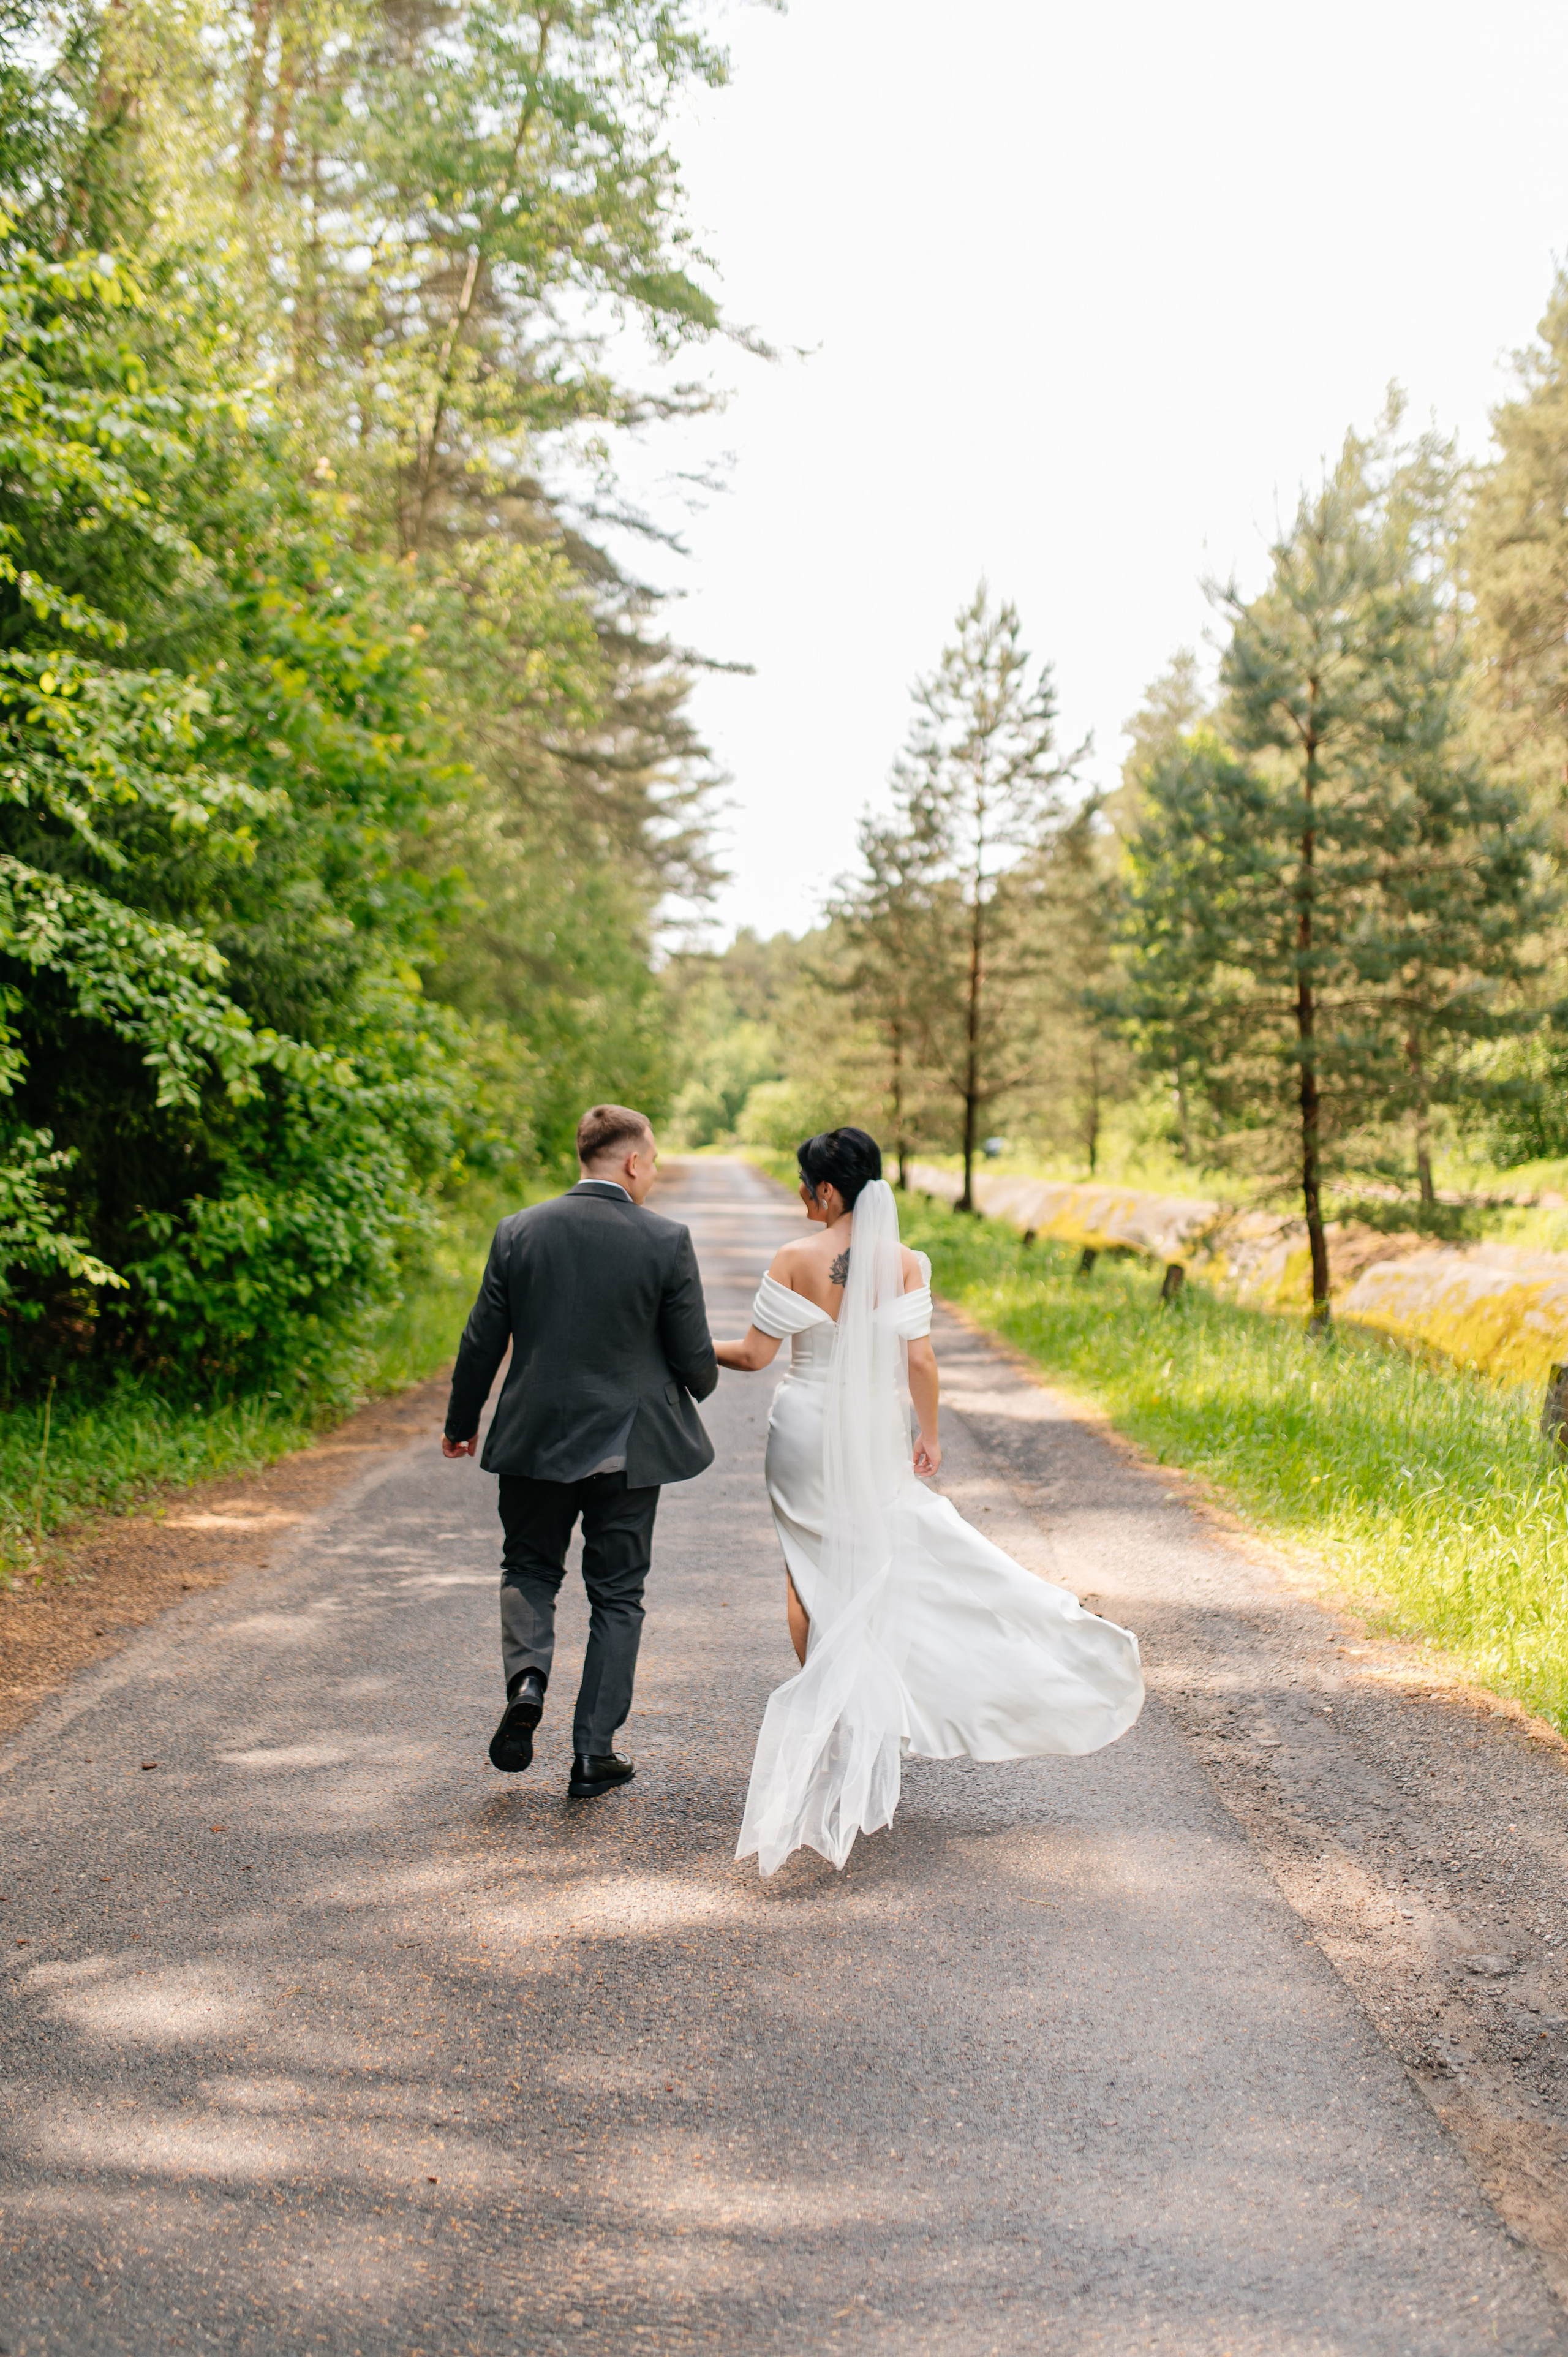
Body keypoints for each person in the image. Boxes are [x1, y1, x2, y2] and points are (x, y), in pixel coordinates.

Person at [714, 1126, 1144, 1874]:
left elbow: (753, 1356)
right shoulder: (907, 1263)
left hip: (807, 1425)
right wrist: (932, 1436)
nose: (798, 1197)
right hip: (877, 1423)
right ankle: (860, 1712)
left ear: (828, 1190)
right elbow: (919, 1358)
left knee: (805, 1572)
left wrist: (682, 1346)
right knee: (876, 1554)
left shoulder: (793, 1258)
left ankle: (833, 1710)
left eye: (804, 1184)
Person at [442, 1104, 718, 1799]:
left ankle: (528, 1679)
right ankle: (594, 1752)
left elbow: (482, 1340)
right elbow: (698, 1368)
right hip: (628, 1451)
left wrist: (460, 1420)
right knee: (617, 1595)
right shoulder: (665, 1239)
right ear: (631, 1161)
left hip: (533, 1438)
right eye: (651, 1160)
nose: (652, 1172)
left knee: (530, 1567)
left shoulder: (519, 1230)